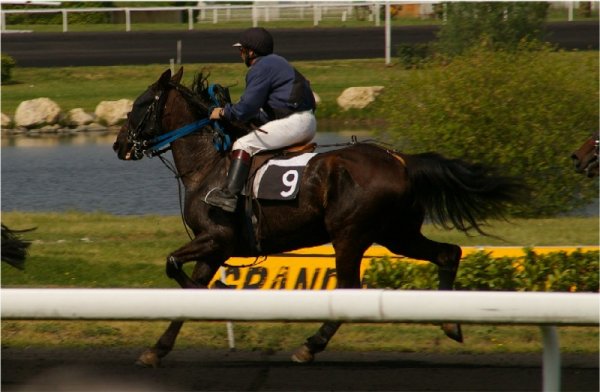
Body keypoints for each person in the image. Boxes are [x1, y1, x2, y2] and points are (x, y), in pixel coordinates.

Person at [206, 27, 317, 213]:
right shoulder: (277, 62)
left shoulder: (260, 68)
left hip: (294, 124)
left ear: (251, 51)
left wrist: (224, 112)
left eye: (242, 50)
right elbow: (264, 111)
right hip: (306, 122)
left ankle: (229, 196)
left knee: (242, 144)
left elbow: (245, 109)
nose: (240, 54)